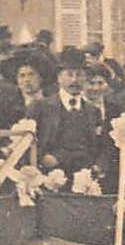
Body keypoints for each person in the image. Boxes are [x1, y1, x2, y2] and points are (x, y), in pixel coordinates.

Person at [34, 47, 108, 176]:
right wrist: (43, 158)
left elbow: (102, 146)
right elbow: (30, 142)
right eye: (69, 74)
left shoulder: (93, 111)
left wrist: (98, 166)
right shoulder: (41, 107)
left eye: (79, 74)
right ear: (59, 78)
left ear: (85, 78)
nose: (74, 80)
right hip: (50, 174)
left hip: (85, 176)